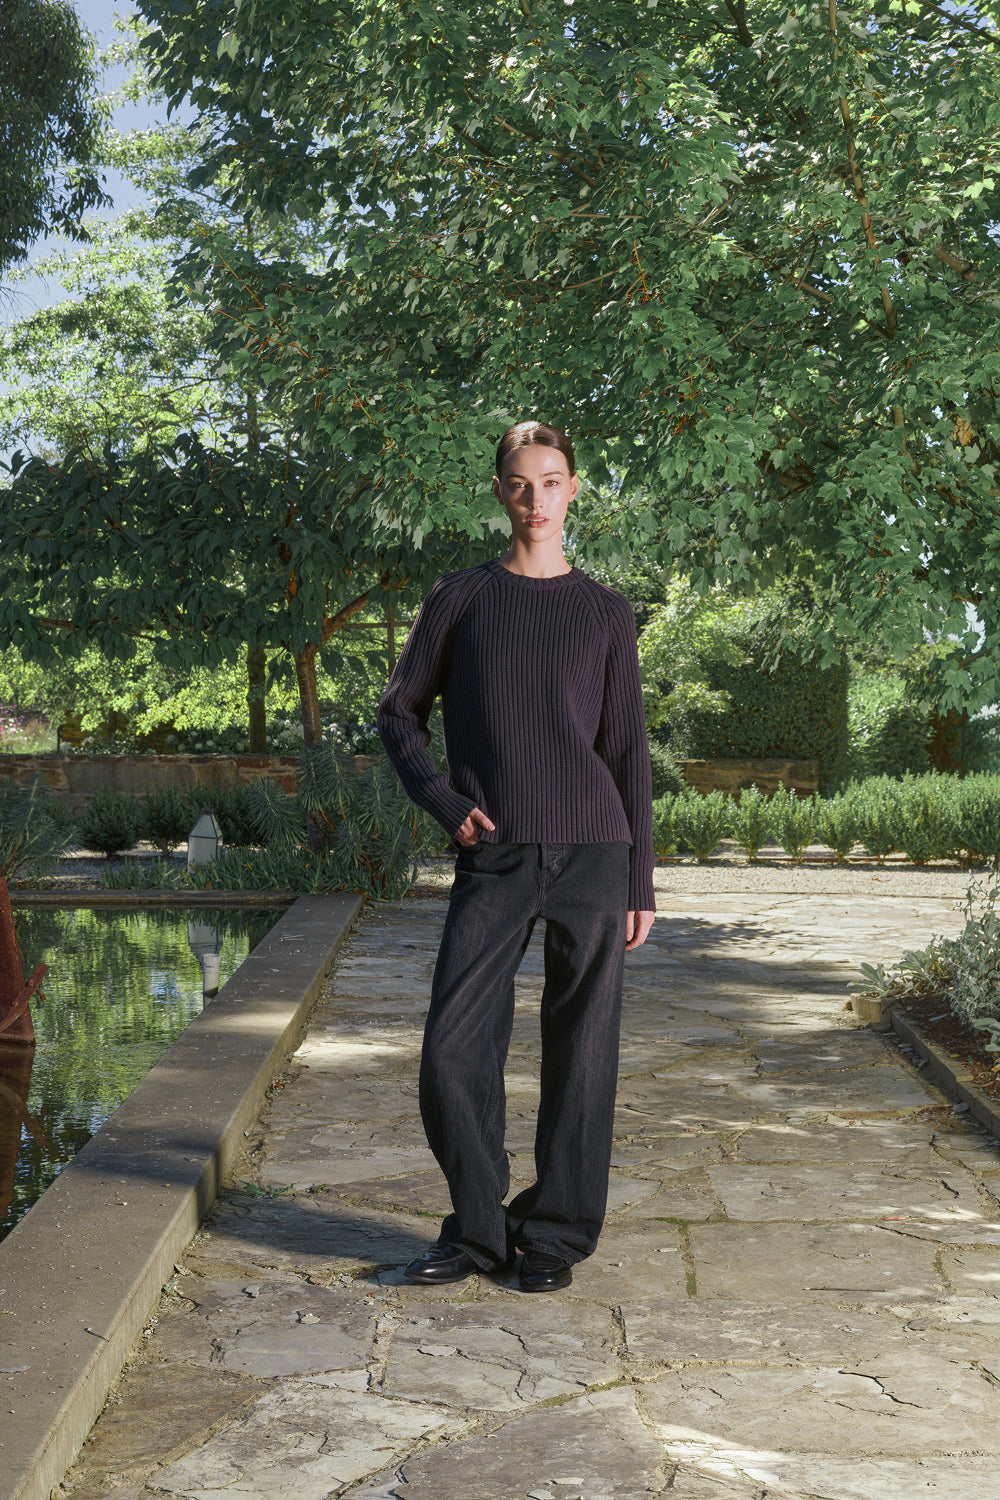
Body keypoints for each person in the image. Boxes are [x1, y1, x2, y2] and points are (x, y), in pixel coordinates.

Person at [377, 419, 655, 1293]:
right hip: (495, 853)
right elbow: (397, 713)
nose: (536, 498)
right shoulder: (461, 597)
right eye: (519, 482)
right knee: (453, 1050)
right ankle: (478, 1229)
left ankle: (556, 1237)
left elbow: (626, 751)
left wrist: (640, 875)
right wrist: (447, 804)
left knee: (585, 1052)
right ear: (499, 491)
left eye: (552, 480)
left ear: (574, 488)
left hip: (595, 852)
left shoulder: (607, 612)